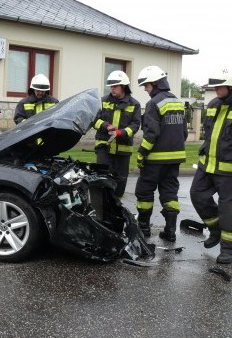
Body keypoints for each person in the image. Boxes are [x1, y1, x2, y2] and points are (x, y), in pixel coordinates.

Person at [135, 65, 187, 241]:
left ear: (156, 84)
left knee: (144, 192)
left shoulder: (153, 103)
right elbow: (184, 133)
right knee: (170, 194)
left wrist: (142, 153)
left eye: (147, 85)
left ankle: (143, 229)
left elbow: (151, 133)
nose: (145, 89)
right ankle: (170, 231)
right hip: (175, 160)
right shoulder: (178, 102)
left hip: (154, 160)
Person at [190, 68, 232, 263]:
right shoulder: (214, 104)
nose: (216, 89)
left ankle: (228, 249)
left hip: (228, 171)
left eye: (220, 85)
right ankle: (215, 229)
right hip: (207, 166)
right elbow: (209, 133)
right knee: (197, 194)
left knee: (227, 210)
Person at [93, 71, 141, 198]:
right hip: (104, 147)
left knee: (120, 186)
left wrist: (121, 132)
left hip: (123, 149)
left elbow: (135, 125)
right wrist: (106, 126)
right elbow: (94, 120)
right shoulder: (102, 101)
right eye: (111, 86)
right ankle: (101, 211)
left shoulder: (134, 104)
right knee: (102, 180)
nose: (112, 89)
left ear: (123, 86)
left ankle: (116, 209)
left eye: (115, 86)